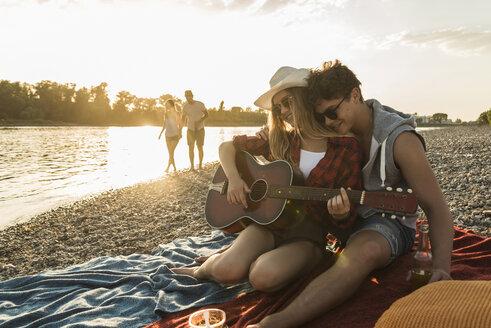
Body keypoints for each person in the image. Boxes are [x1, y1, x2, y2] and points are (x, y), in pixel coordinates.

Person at [249, 61, 454, 328]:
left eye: (332, 113)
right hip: (337, 220)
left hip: (384, 219)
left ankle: (275, 323)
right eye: (319, 115)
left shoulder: (400, 140)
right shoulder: (331, 130)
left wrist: (442, 267)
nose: (327, 122)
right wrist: (269, 135)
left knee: (362, 252)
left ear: (355, 95)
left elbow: (437, 207)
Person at [172, 67, 362, 293]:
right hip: (270, 224)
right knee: (226, 270)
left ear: (304, 99)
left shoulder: (346, 147)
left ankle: (250, 257)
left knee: (262, 276)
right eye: (278, 107)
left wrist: (340, 214)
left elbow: (350, 219)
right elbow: (226, 147)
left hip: (311, 237)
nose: (282, 111)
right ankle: (199, 270)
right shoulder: (281, 140)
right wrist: (234, 179)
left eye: (287, 102)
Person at [181, 90, 208, 170]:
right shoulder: (185, 107)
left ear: (192, 96)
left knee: (200, 147)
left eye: (189, 96)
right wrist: (179, 130)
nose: (187, 98)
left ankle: (200, 165)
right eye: (186, 97)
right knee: (190, 147)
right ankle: (192, 166)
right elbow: (183, 120)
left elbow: (207, 114)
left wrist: (199, 121)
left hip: (200, 129)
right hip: (190, 130)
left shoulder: (200, 104)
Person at [158, 99, 182, 173]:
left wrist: (180, 133)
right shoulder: (166, 114)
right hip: (167, 135)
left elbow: (180, 124)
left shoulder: (177, 113)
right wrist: (160, 133)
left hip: (175, 135)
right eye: (166, 105)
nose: (167, 106)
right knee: (170, 153)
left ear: (172, 105)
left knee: (171, 152)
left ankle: (168, 168)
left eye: (168, 105)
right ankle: (174, 168)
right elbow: (164, 125)